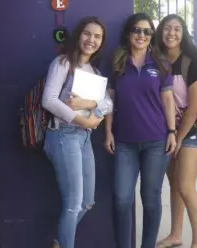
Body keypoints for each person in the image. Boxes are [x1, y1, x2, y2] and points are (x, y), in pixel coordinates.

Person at [104, 12, 177, 248]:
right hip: (124, 142)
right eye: (137, 30)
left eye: (147, 31)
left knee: (151, 200)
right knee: (122, 199)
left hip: (156, 141)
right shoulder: (116, 62)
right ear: (128, 33)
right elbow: (109, 102)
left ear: (151, 36)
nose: (141, 35)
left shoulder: (160, 63)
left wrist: (173, 132)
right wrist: (108, 132)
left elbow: (168, 101)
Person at [41, 16, 114, 248]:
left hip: (84, 139)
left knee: (87, 202)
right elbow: (49, 100)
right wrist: (82, 120)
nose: (91, 40)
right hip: (63, 135)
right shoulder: (63, 63)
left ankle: (59, 243)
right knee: (73, 203)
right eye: (87, 34)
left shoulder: (93, 70)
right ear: (78, 35)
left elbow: (109, 104)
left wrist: (91, 105)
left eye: (97, 36)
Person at [155, 14, 197, 248]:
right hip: (166, 131)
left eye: (177, 29)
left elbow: (195, 106)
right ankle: (175, 234)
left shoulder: (193, 64)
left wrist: (178, 138)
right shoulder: (156, 60)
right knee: (175, 183)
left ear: (183, 33)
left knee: (186, 187)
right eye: (167, 28)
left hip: (190, 131)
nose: (171, 33)